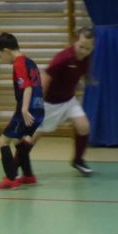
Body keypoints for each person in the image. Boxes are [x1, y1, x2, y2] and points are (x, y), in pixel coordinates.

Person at [32, 26, 95, 176]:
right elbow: (45, 78)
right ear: (74, 41)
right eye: (81, 47)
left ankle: (78, 160)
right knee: (33, 137)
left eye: (88, 48)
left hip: (69, 101)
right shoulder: (63, 58)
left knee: (84, 126)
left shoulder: (86, 58)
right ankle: (14, 164)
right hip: (50, 104)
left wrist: (88, 79)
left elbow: (81, 72)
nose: (84, 51)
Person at [0, 32, 45, 190]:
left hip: (27, 109)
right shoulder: (30, 61)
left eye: (0, 55)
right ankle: (28, 175)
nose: (2, 59)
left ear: (6, 51)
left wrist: (24, 109)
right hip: (39, 108)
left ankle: (11, 178)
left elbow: (27, 87)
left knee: (3, 140)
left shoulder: (19, 63)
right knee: (19, 141)